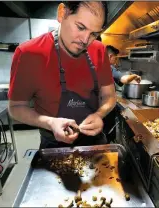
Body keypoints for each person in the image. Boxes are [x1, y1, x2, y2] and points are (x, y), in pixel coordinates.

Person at [7, 1, 116, 149]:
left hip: (93, 142)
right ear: (62, 13)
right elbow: (16, 107)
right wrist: (50, 122)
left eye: (94, 34)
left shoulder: (99, 50)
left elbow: (109, 97)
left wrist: (99, 114)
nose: (85, 40)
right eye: (80, 27)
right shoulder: (29, 54)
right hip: (53, 144)